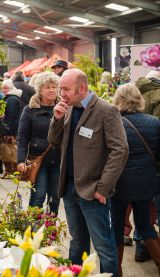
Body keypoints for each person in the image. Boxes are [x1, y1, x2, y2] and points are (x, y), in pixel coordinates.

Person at [48, 68, 128, 276]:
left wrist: (104, 187)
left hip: (93, 190)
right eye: (60, 89)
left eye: (65, 89)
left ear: (82, 87)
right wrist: (56, 119)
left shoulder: (106, 110)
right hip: (69, 188)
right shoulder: (68, 108)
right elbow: (54, 142)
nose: (61, 94)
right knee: (77, 243)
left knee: (104, 248)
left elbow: (120, 150)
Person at [110, 83, 160, 276]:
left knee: (116, 227)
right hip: (145, 183)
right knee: (145, 225)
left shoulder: (113, 122)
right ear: (139, 99)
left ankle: (117, 271)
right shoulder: (154, 122)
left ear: (118, 100)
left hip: (119, 183)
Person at [17, 72, 61, 214]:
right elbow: (22, 137)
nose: (52, 90)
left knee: (55, 197)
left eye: (54, 87)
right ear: (40, 90)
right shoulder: (30, 109)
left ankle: (51, 232)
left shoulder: (64, 108)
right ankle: (33, 231)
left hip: (58, 160)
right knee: (38, 195)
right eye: (48, 87)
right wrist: (20, 160)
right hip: (38, 159)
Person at [0, 79, 22, 176]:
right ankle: (11, 172)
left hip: (10, 129)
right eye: (3, 88)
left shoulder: (11, 99)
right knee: (10, 150)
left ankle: (11, 172)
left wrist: (7, 129)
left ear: (11, 88)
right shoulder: (10, 98)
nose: (4, 90)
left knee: (10, 151)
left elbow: (11, 117)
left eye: (6, 88)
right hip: (11, 128)